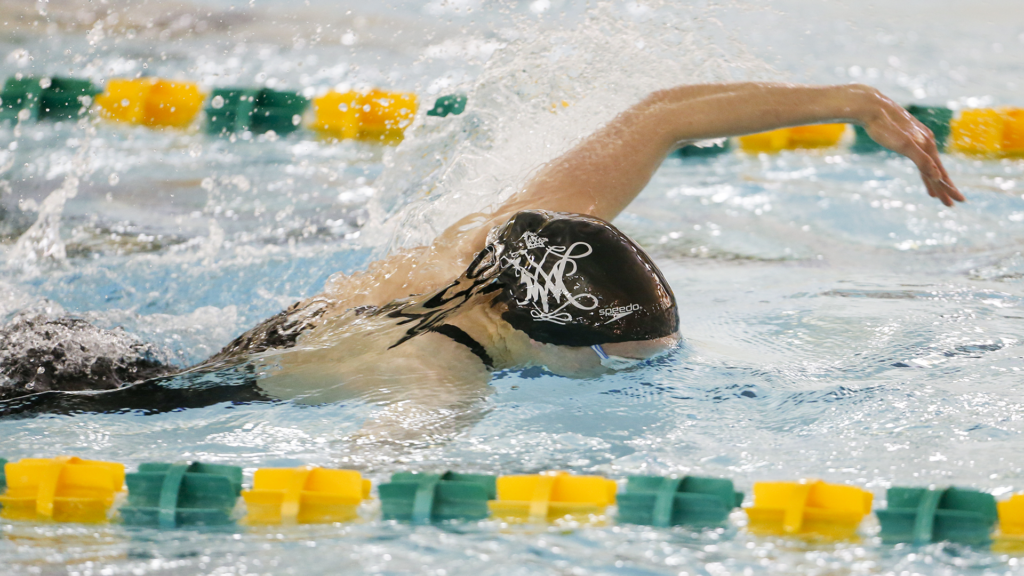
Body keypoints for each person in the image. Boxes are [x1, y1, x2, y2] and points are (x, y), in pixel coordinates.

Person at [0, 82, 963, 439]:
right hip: (95, 403)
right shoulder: (440, 375)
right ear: (532, 328)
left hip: (97, 351)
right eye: (606, 360)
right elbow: (385, 477)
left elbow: (660, 117)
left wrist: (849, 100)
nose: (616, 375)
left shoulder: (492, 243)